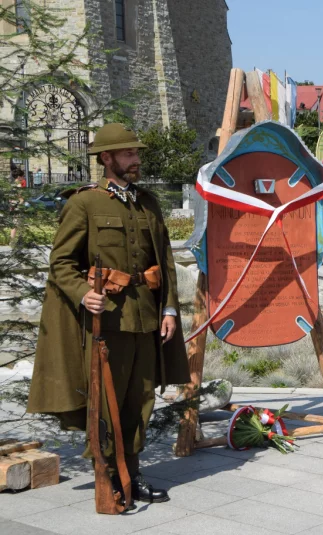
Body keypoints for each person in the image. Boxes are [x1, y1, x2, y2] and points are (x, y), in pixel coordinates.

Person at [27, 123, 190, 505]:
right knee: (107, 401)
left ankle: (131, 472)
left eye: (136, 153)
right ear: (107, 158)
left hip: (145, 318)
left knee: (141, 398)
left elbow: (163, 262)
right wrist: (84, 294)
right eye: (129, 154)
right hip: (107, 324)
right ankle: (111, 474)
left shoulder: (147, 202)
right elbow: (61, 263)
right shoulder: (83, 203)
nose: (136, 160)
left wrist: (168, 310)